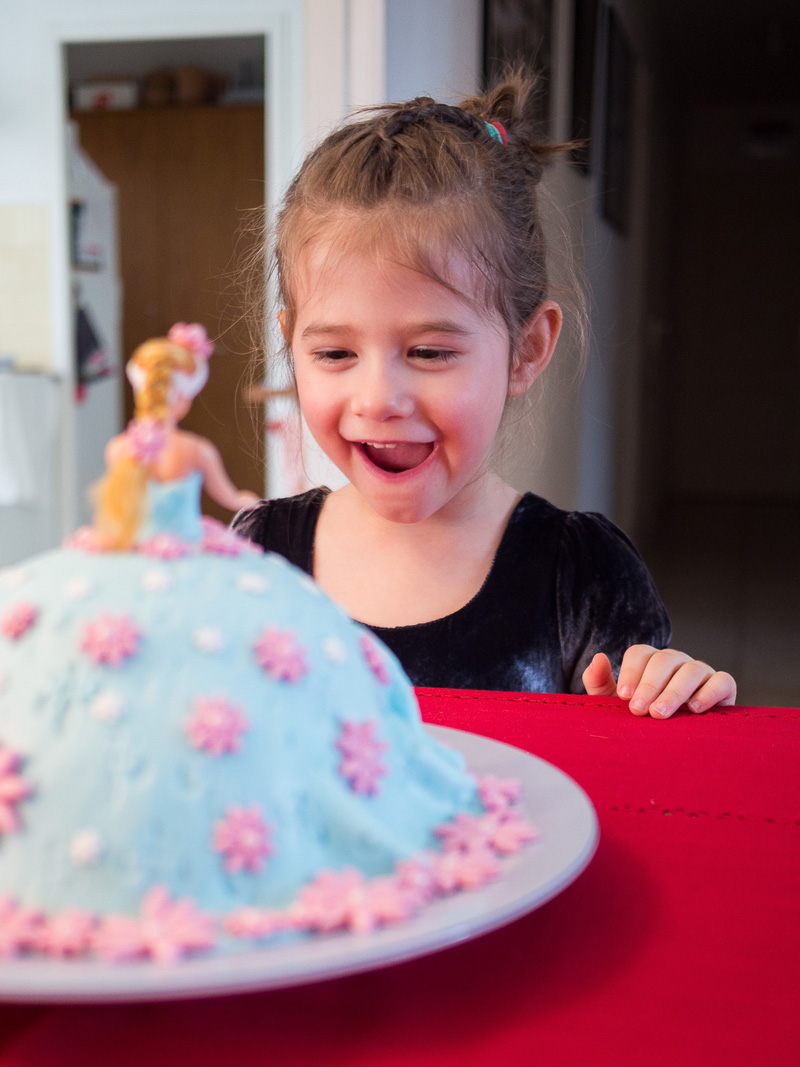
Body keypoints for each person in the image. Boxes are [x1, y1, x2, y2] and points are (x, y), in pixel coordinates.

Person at [233, 74, 736, 718]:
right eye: (334, 353)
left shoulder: (582, 576)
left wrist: (672, 696)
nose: (378, 398)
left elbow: (642, 791)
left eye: (430, 353)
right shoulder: (256, 553)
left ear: (525, 351)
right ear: (291, 345)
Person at [94, 322, 258, 549]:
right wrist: (254, 503)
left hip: (134, 552)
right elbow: (230, 497)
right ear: (182, 398)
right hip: (186, 551)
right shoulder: (196, 449)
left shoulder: (117, 448)